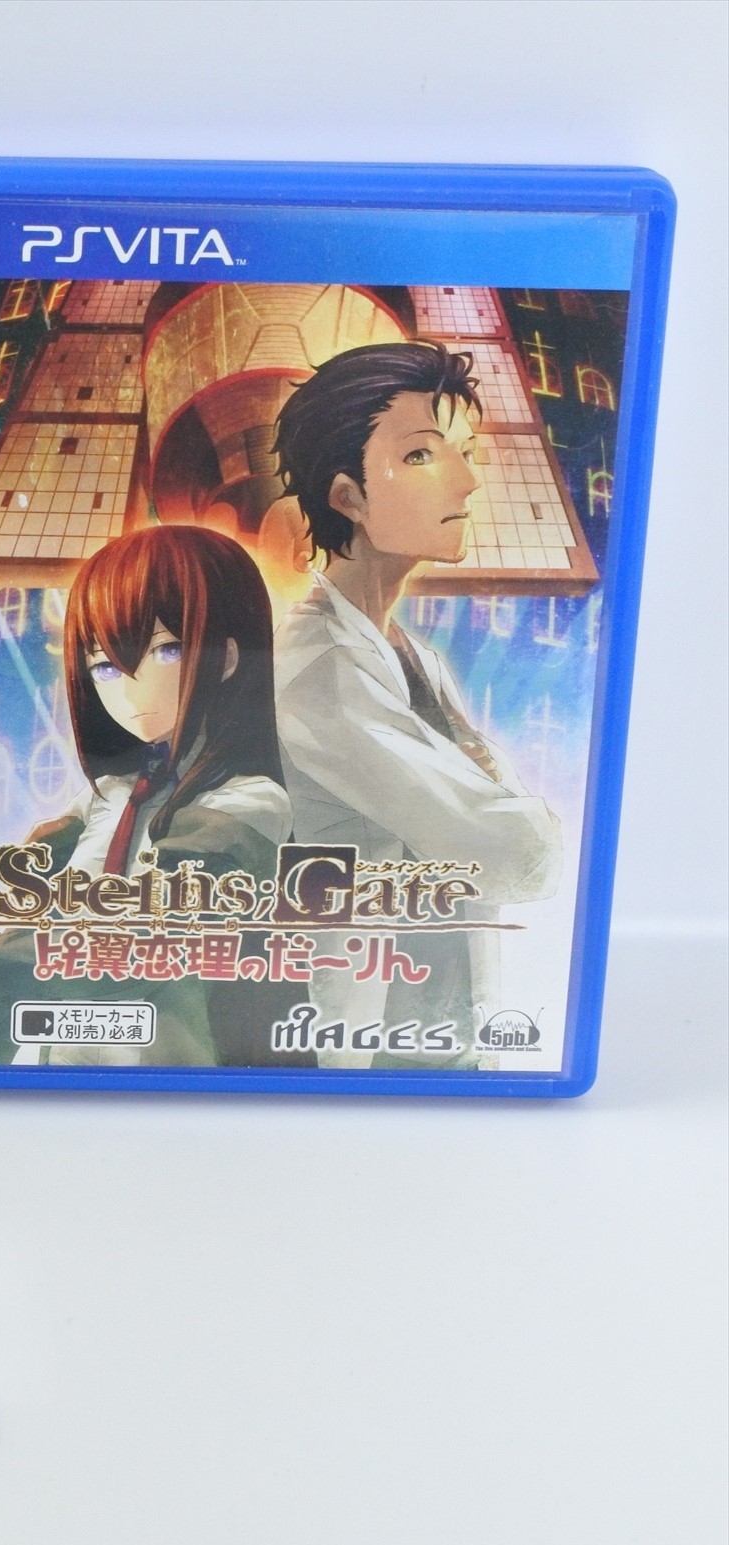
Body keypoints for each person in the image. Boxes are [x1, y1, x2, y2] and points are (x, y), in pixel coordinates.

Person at [271, 340, 561, 1068]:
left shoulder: (412, 655)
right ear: (348, 498)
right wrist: (499, 808)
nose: (466, 481)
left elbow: (492, 833)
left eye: (466, 452)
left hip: (443, 1024)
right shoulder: (317, 665)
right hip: (365, 1037)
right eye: (423, 455)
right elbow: (514, 851)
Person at [0, 522, 298, 1068]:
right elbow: (26, 927)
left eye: (167, 651)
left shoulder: (249, 802)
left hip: (180, 1075)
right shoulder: (106, 796)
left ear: (227, 658)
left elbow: (151, 932)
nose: (131, 689)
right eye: (105, 665)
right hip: (64, 1072)